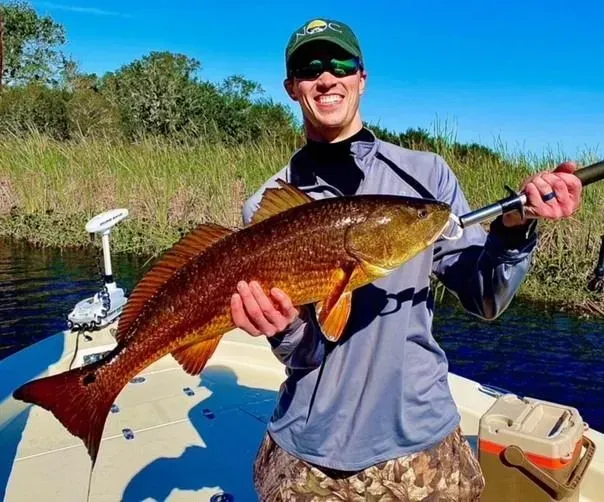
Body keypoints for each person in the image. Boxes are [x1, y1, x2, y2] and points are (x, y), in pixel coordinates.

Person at [230, 18, 583, 501]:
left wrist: (513, 229)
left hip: (422, 447)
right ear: (292, 87)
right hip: (308, 451)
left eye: (340, 64)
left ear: (362, 78)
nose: (327, 77)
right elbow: (304, 353)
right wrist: (283, 327)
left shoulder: (425, 177)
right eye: (310, 68)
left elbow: (486, 297)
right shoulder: (267, 206)